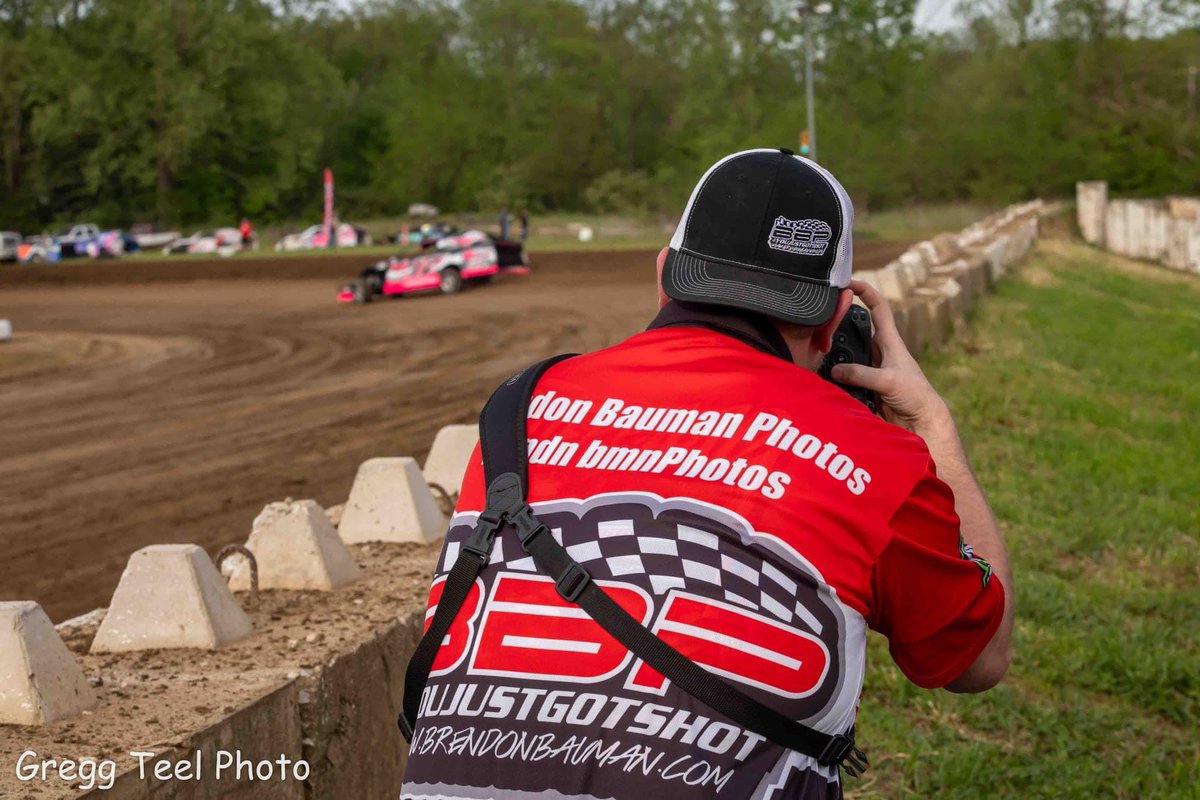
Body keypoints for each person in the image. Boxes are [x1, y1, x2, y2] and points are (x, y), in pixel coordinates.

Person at [400, 148, 1012, 800]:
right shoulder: (873, 456)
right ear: (837, 321)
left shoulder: (517, 409)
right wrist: (932, 425)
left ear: (664, 274)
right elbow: (980, 658)